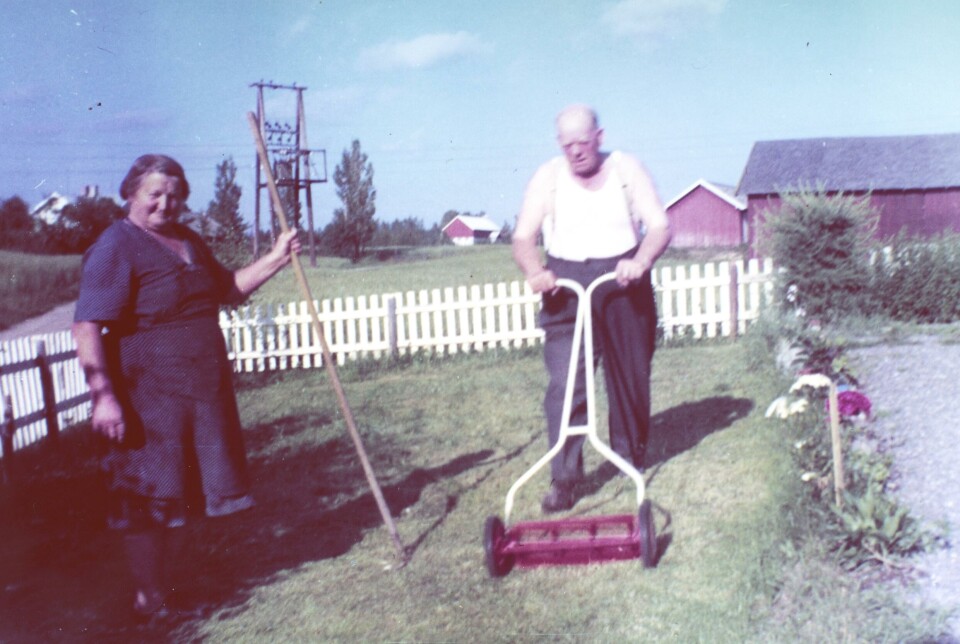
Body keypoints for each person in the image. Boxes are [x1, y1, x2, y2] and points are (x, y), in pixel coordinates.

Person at [72, 154, 300, 620]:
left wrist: (277, 257)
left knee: (184, 494)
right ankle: (146, 597)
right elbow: (88, 325)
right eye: (154, 193)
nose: (164, 203)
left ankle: (165, 591)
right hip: (146, 396)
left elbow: (228, 291)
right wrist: (104, 397)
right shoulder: (117, 245)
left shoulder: (187, 239)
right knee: (149, 499)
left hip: (199, 393)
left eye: (174, 194)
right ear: (130, 194)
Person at [512, 105, 672, 513]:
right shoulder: (548, 177)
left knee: (630, 379)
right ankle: (564, 479)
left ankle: (628, 461)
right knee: (565, 385)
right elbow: (524, 238)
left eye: (582, 144)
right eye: (567, 146)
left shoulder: (625, 169)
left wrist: (641, 261)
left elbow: (658, 226)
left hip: (622, 281)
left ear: (599, 137)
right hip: (564, 285)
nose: (575, 153)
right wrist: (536, 270)